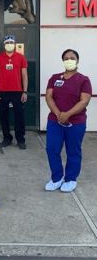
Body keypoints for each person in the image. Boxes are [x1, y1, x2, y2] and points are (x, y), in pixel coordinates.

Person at [45, 49, 91, 192]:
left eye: (72, 58)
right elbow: (49, 97)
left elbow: (84, 101)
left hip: (76, 122)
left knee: (73, 151)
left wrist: (68, 114)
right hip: (55, 121)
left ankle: (70, 179)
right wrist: (58, 113)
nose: (69, 60)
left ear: (77, 60)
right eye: (66, 58)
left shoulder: (83, 80)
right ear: (63, 61)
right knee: (52, 149)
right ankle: (57, 178)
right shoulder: (54, 78)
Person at [0, 35, 28, 149]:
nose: (9, 44)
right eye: (7, 42)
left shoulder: (21, 57)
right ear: (4, 45)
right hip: (2, 91)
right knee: (3, 115)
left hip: (17, 91)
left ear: (14, 43)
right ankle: (7, 138)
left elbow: (24, 75)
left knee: (19, 116)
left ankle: (20, 140)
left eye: (11, 42)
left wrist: (25, 91)